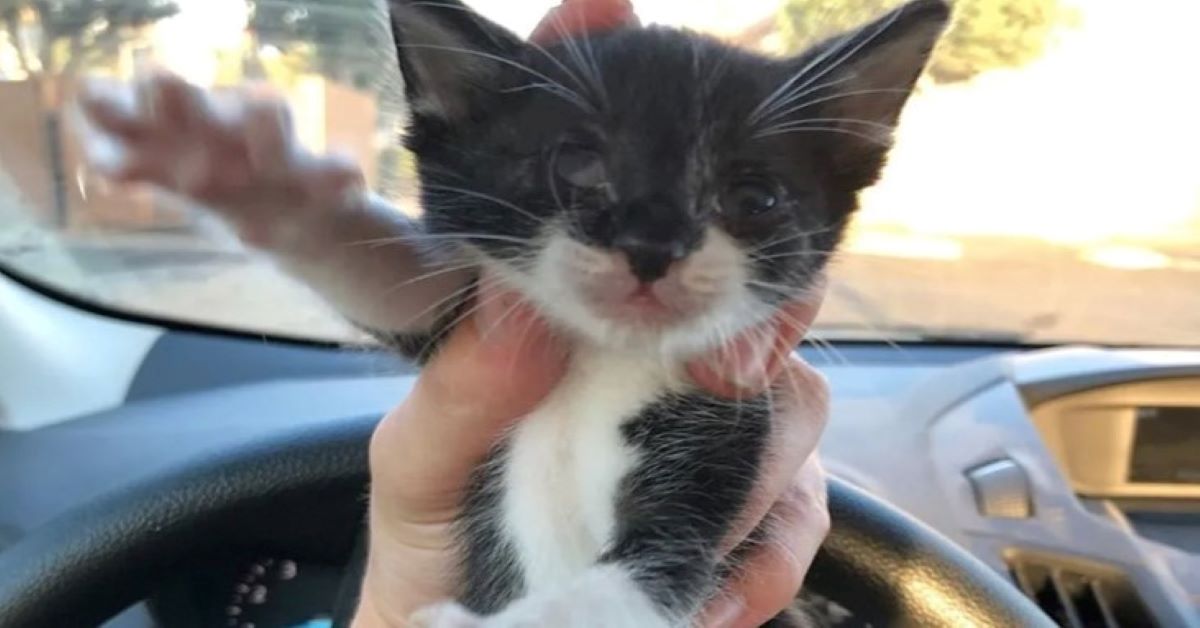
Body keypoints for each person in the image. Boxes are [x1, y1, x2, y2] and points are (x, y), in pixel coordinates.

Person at [75, 1, 832, 625]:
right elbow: (421, 292)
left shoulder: (725, 387)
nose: (654, 247)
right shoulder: (506, 316)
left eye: (751, 200)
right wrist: (309, 220)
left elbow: (663, 563)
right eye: (577, 167)